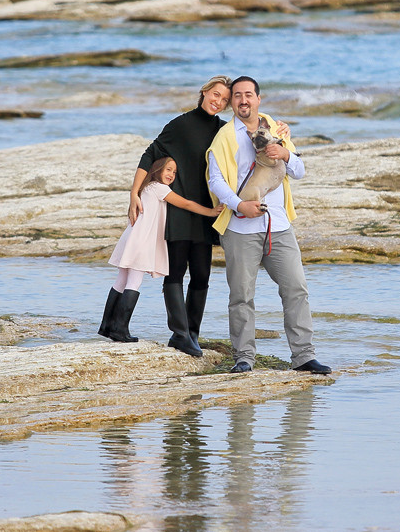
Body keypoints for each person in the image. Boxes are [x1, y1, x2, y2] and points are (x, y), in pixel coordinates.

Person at [206, 76, 331, 375]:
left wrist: (285, 153)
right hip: (240, 229)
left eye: (249, 94)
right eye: (237, 95)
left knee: (296, 290)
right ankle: (244, 358)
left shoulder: (275, 129)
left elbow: (298, 171)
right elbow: (215, 180)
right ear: (231, 102)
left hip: (279, 227)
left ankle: (303, 357)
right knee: (241, 297)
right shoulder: (224, 137)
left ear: (258, 99)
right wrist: (240, 205)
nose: (243, 100)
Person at [128, 76, 231, 357]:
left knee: (201, 275)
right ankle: (179, 334)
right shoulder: (180, 124)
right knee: (175, 273)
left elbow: (250, 138)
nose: (218, 101)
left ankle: (192, 334)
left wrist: (279, 129)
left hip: (206, 211)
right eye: (215, 94)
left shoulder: (223, 130)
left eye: (224, 99)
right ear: (204, 92)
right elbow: (150, 154)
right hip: (178, 209)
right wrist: (134, 194)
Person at [100, 157, 223, 343]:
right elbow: (186, 204)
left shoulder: (145, 188)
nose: (172, 175)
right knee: (133, 282)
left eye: (174, 172)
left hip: (131, 237)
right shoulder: (159, 188)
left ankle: (107, 326)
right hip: (142, 241)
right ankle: (120, 329)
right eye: (168, 170)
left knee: (121, 280)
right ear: (157, 169)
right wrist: (210, 212)